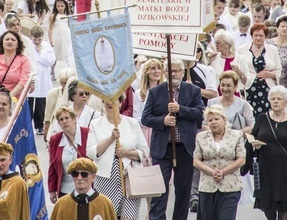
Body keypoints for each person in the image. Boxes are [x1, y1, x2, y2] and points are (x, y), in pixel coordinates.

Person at [141, 58, 204, 220]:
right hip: (163, 149)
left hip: (185, 148)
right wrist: (163, 120)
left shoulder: (193, 90)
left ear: (183, 72)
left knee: (183, 190)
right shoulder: (156, 92)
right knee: (159, 190)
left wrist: (180, 109)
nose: (174, 74)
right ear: (165, 73)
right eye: (170, 71)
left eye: (177, 70)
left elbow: (199, 114)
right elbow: (146, 118)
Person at [248, 86, 287, 220]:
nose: (275, 101)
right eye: (273, 99)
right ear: (269, 101)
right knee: (267, 205)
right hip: (265, 167)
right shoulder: (262, 118)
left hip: (285, 168)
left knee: (283, 205)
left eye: (279, 99)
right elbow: (252, 138)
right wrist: (254, 145)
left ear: (285, 102)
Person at [87, 96, 149, 220]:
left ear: (120, 103)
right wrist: (111, 139)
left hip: (130, 180)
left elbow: (145, 152)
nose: (110, 103)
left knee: (129, 217)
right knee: (108, 217)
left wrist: (126, 153)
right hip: (105, 180)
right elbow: (90, 152)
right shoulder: (96, 124)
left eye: (114, 100)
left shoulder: (132, 123)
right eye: (106, 101)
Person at [193, 105, 246, 220]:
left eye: (216, 119)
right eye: (210, 120)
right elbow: (196, 161)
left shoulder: (236, 135)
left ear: (224, 120)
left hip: (230, 185)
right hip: (207, 186)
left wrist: (223, 172)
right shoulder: (200, 137)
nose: (213, 123)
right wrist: (212, 172)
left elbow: (241, 159)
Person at [48, 106, 95, 203]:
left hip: (87, 188)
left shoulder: (87, 133)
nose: (64, 121)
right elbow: (53, 165)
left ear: (74, 119)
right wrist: (52, 190)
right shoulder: (55, 140)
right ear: (59, 124)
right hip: (65, 190)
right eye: (61, 119)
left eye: (67, 118)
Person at [235, 23, 282, 117]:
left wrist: (269, 74)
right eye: (256, 35)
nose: (258, 38)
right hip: (249, 88)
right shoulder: (241, 50)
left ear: (265, 37)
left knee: (267, 116)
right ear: (252, 36)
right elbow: (238, 69)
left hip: (267, 88)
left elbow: (279, 70)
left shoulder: (273, 50)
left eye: (261, 35)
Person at [50, 158, 117, 220]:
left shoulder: (104, 203)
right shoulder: (61, 204)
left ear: (93, 177)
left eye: (84, 174)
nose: (79, 178)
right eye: (75, 174)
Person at [0, 30, 31, 97]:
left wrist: (9, 97)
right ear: (2, 43)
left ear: (17, 44)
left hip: (15, 99)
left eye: (13, 40)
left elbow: (23, 81)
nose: (10, 42)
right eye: (7, 39)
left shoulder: (24, 60)